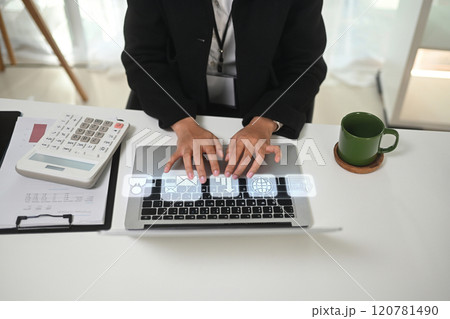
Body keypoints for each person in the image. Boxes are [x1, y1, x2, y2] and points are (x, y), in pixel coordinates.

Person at [122, 0, 327, 184]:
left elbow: (307, 65)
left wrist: (266, 120)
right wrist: (181, 122)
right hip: (175, 99)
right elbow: (141, 57)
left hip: (263, 102)